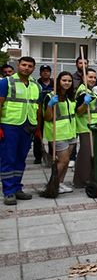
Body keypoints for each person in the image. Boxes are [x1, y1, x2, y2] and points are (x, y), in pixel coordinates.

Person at [0, 57, 39, 205]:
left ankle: (17, 188)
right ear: (18, 65)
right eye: (24, 65)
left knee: (20, 159)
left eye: (30, 66)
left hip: (28, 126)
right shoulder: (6, 82)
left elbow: (37, 107)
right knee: (8, 159)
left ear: (33, 68)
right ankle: (8, 191)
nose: (26, 68)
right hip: (10, 125)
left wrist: (38, 128)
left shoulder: (36, 85)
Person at [42, 71, 77, 195]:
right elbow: (47, 117)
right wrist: (51, 105)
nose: (67, 83)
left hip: (71, 132)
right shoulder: (50, 96)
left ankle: (60, 183)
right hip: (57, 133)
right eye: (64, 80)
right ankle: (53, 184)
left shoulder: (70, 96)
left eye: (69, 81)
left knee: (66, 161)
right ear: (58, 81)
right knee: (63, 160)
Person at [73, 68, 97, 187]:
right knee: (85, 155)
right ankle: (81, 181)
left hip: (91, 126)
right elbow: (78, 111)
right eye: (90, 77)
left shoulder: (89, 90)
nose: (93, 79)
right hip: (85, 127)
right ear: (84, 78)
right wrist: (85, 103)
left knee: (87, 154)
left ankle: (86, 178)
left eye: (94, 77)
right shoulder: (83, 92)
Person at [33, 65, 54, 164]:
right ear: (40, 73)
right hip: (38, 112)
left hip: (51, 112)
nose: (45, 73)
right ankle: (38, 156)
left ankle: (52, 155)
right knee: (38, 134)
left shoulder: (54, 84)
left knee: (51, 134)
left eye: (47, 71)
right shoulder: (36, 84)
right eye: (43, 71)